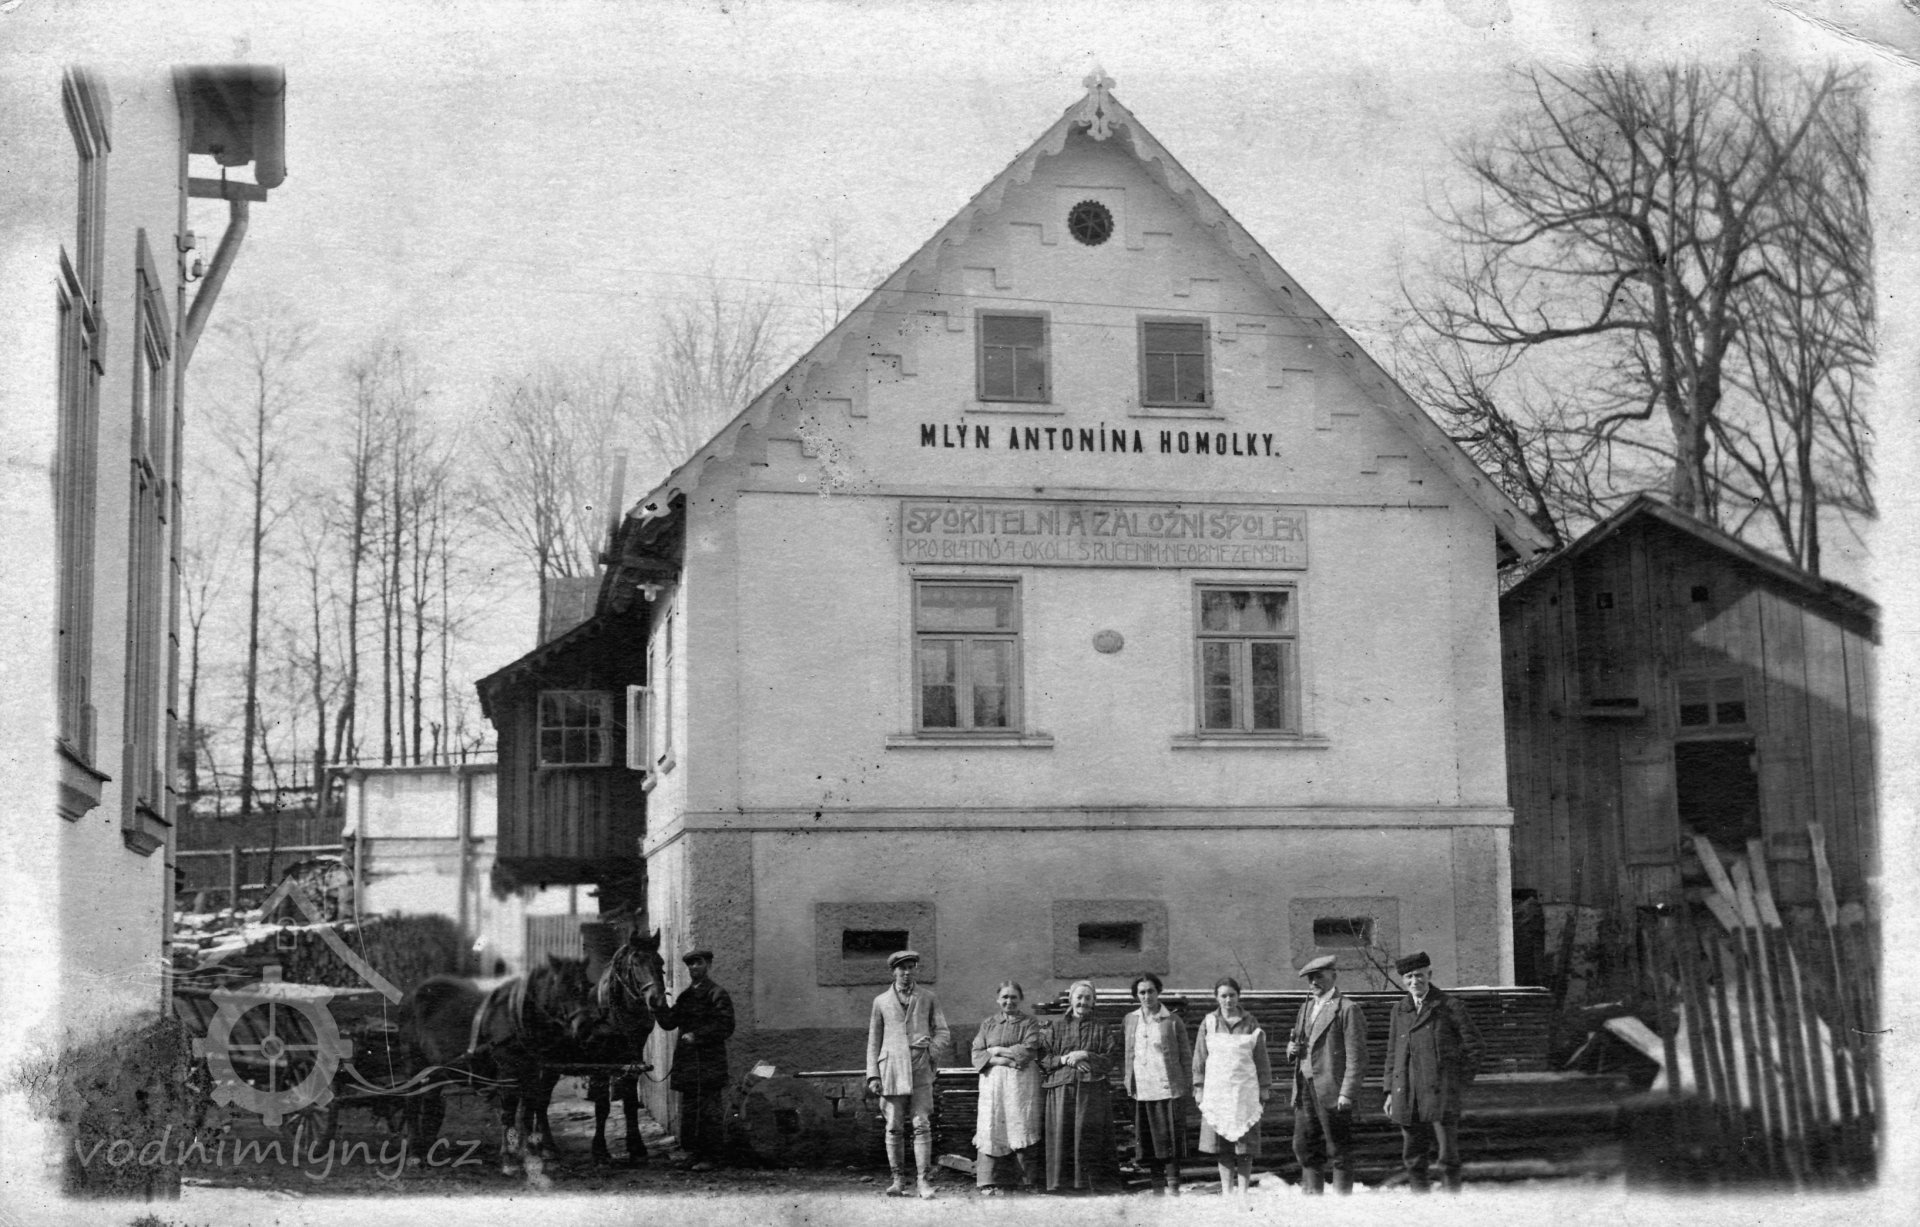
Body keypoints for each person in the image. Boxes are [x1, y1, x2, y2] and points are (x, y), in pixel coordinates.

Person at [1384, 951, 1484, 1193]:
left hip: (1441, 1092)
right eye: (1408, 977)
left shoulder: (1449, 1006)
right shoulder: (1400, 1010)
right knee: (1413, 1154)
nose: (1414, 981)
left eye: (1419, 975)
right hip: (1408, 1091)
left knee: (1447, 1155)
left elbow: (1475, 1047)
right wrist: (1389, 1091)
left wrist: (1456, 1082)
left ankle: (1451, 1200)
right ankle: (1421, 1199)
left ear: (1430, 974)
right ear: (1403, 980)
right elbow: (1393, 1053)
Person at [865, 950, 951, 1199]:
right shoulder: (881, 1001)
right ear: (893, 972)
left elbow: (943, 1031)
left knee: (921, 1124)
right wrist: (873, 1075)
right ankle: (898, 1180)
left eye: (911, 967)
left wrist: (931, 1049)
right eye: (902, 968)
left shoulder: (928, 998)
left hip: (920, 1068)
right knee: (893, 1126)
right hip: (891, 1070)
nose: (906, 972)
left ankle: (923, 1181)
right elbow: (874, 1040)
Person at [1287, 954, 1367, 1195]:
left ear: (1333, 976)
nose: (1314, 982)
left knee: (1338, 1148)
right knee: (1306, 1145)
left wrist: (1347, 1093)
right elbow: (1299, 1043)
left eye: (1319, 977)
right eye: (1310, 978)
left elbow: (1357, 1056)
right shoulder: (1306, 1007)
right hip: (1304, 1087)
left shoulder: (1347, 1009)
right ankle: (1314, 1201)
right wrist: (1291, 1050)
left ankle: (1341, 1205)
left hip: (1332, 1089)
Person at [652, 947, 736, 1170]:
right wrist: (658, 1006)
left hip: (709, 1063)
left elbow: (726, 1026)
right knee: (690, 1111)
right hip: (688, 1063)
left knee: (709, 1110)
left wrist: (698, 1036)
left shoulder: (717, 994)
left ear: (709, 965)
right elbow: (669, 1022)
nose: (693, 967)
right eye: (690, 964)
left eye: (698, 963)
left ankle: (712, 1158)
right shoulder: (686, 996)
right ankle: (694, 1154)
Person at [1193, 975, 1272, 1204]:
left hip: (1244, 1091)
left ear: (1239, 996)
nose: (1228, 1000)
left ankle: (1243, 1192)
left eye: (1232, 995)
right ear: (1216, 998)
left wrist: (1264, 1087)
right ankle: (1227, 1192)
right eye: (1223, 996)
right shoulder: (1209, 1022)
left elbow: (1261, 1058)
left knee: (1244, 1145)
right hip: (1217, 1092)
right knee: (1222, 1145)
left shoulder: (1250, 1022)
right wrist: (1198, 1087)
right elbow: (1200, 1057)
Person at [1041, 979, 1117, 1194]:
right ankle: (1061, 1184)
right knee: (1062, 1134)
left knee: (1088, 1135)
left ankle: (1088, 1184)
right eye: (1079, 997)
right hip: (1061, 1090)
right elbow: (1043, 1058)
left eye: (1087, 998)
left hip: (1091, 1091)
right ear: (1071, 999)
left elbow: (1110, 1059)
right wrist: (1065, 1059)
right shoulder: (1055, 1027)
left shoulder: (1101, 1028)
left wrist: (1086, 1055)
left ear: (1094, 1001)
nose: (1083, 1002)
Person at [1121, 972, 1191, 1196]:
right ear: (1136, 995)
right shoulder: (1130, 1020)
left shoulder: (1172, 1020)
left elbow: (1185, 1056)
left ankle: (1173, 1188)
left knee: (1169, 1140)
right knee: (1149, 1141)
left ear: (1158, 992)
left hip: (1167, 1088)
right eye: (1142, 992)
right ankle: (1157, 1188)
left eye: (1151, 991)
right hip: (1142, 1089)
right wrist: (1128, 1081)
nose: (1146, 996)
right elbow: (1126, 1053)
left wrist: (1186, 1087)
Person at [970, 980, 1044, 1195]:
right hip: (993, 1083)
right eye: (1005, 997)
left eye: (1013, 997)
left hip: (1021, 1083)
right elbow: (977, 1052)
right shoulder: (988, 1023)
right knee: (993, 1124)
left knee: (1020, 1123)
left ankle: (1025, 1180)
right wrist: (1003, 1060)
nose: (1009, 1001)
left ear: (1021, 999)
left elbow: (1029, 1049)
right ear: (998, 999)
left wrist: (995, 1050)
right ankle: (991, 1181)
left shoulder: (1029, 1022)